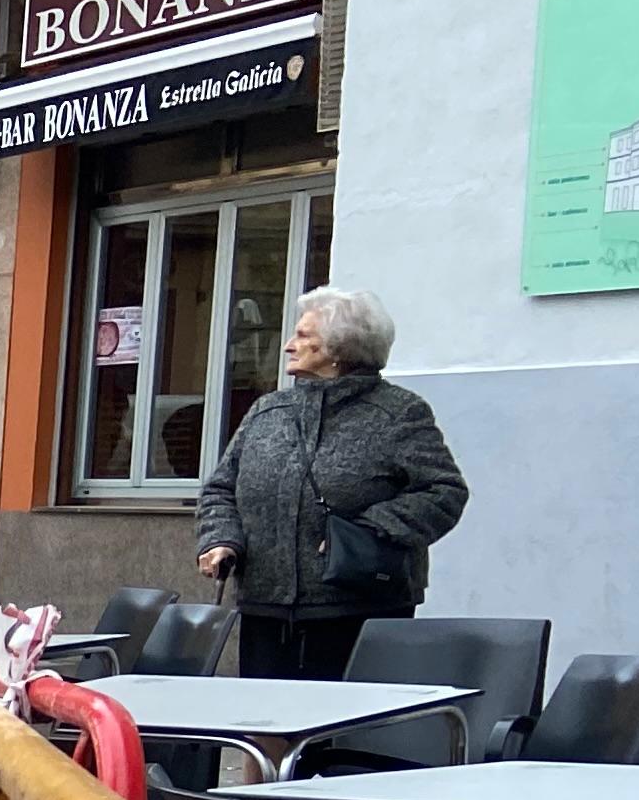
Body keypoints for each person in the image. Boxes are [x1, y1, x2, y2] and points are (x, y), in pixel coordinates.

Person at [193, 286, 469, 679]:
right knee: (266, 720)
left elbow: (443, 492)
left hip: (359, 610)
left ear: (340, 349)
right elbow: (221, 488)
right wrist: (221, 539)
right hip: (266, 607)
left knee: (343, 729)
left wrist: (370, 528)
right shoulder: (269, 410)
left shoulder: (398, 413)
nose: (289, 345)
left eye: (303, 337)